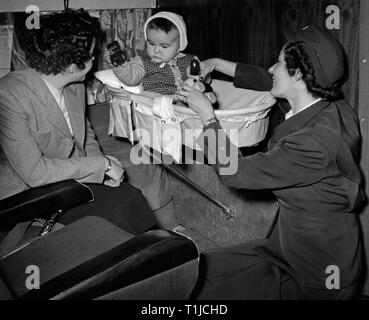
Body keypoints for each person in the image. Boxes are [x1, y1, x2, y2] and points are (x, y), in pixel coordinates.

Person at [178, 25, 364, 299]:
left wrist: (207, 116)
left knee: (212, 289)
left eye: (278, 62)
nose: (271, 67)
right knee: (201, 270)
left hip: (318, 266)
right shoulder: (329, 105)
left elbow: (235, 173)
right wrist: (215, 64)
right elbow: (267, 79)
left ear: (299, 74)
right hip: (289, 244)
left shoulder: (313, 143)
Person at [0, 9, 160, 235]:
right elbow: (34, 173)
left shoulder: (75, 85)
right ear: (72, 66)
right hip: (28, 193)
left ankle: (153, 256)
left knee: (130, 198)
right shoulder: (9, 95)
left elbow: (85, 134)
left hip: (68, 178)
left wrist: (100, 176)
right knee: (114, 216)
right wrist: (100, 165)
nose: (95, 60)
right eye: (92, 55)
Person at [104, 11, 200, 97]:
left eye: (164, 46)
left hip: (185, 106)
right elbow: (131, 77)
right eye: (151, 43)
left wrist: (202, 76)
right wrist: (119, 64)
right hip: (156, 106)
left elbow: (202, 80)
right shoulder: (142, 62)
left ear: (180, 46)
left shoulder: (190, 60)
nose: (156, 50)